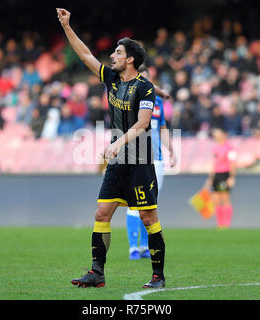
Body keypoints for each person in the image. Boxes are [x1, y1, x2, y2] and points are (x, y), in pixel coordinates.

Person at [57, 8, 166, 289]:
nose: (112, 57)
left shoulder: (146, 87)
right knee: (101, 213)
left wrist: (117, 141)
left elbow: (143, 124)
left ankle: (158, 276)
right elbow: (85, 56)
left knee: (148, 216)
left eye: (117, 53)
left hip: (139, 159)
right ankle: (97, 273)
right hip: (119, 162)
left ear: (130, 59)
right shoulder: (111, 79)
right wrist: (67, 26)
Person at [126, 65, 175, 260]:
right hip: (136, 157)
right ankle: (132, 247)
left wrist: (171, 149)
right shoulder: (129, 100)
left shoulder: (158, 104)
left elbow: (162, 128)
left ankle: (146, 247)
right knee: (133, 202)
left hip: (157, 159)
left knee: (151, 203)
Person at [204, 127, 237, 229]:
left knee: (225, 198)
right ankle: (219, 224)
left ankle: (226, 224)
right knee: (216, 199)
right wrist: (210, 178)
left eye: (218, 134)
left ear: (223, 135)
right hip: (216, 175)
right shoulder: (214, 148)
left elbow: (233, 163)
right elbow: (214, 164)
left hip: (225, 174)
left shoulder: (229, 148)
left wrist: (231, 177)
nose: (216, 136)